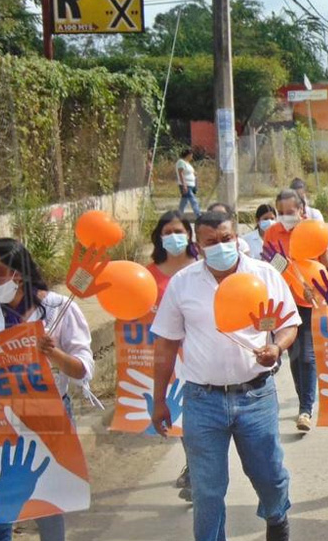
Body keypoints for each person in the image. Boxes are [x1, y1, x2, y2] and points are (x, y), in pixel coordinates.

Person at [150, 211, 301, 541]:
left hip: (256, 396)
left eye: (226, 239)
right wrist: (158, 399)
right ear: (199, 246)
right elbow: (165, 345)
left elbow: (289, 322)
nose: (220, 246)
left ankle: (276, 516)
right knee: (207, 490)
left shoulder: (264, 275)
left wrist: (276, 347)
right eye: (211, 242)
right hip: (202, 401)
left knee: (269, 476)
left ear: (237, 238)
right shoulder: (183, 284)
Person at [0, 238, 95, 541]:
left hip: (49, 413)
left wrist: (54, 355)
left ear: (18, 273)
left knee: (47, 499)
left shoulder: (57, 308)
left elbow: (83, 370)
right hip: (0, 416)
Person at [146, 211, 200, 501]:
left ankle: (195, 470)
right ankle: (194, 466)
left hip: (195, 356)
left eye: (178, 230)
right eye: (167, 232)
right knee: (176, 414)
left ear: (189, 235)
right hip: (164, 357)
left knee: (194, 417)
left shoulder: (200, 270)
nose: (173, 237)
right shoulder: (146, 274)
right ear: (159, 237)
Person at [263, 189, 325, 432]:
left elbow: (323, 264)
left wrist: (322, 293)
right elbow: (268, 264)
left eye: (290, 212)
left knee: (308, 356)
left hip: (309, 302)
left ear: (301, 210)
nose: (285, 217)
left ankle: (306, 409)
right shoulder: (272, 232)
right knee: (295, 355)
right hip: (283, 302)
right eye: (281, 213)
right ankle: (303, 400)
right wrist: (281, 264)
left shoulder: (313, 230)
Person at [177, 148, 200, 217]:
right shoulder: (181, 162)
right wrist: (184, 185)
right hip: (186, 184)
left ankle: (179, 215)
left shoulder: (188, 164)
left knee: (184, 201)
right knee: (193, 200)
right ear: (188, 155)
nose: (192, 157)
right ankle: (198, 215)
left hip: (191, 185)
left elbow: (192, 173)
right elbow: (181, 173)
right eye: (191, 155)